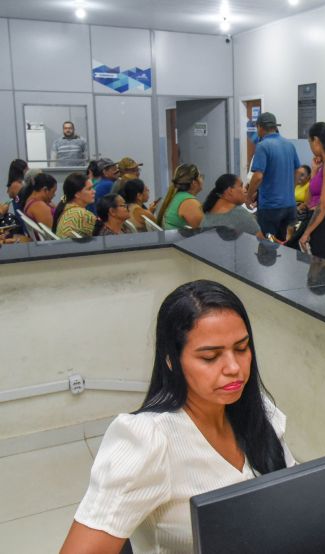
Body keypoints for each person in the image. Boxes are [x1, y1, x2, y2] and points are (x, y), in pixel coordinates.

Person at [61, 280, 295, 552]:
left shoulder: (257, 411)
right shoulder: (148, 440)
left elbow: (292, 499)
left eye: (242, 348)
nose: (234, 368)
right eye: (210, 357)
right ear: (171, 361)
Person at [284, 122, 325, 261]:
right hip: (315, 219)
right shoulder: (324, 165)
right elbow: (309, 201)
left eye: (309, 142)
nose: (310, 147)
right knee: (313, 275)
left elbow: (324, 204)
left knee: (321, 276)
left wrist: (307, 232)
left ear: (316, 140)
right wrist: (314, 170)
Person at [246, 112, 300, 241]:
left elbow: (258, 176)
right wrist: (290, 191)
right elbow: (297, 172)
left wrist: (248, 197)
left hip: (270, 208)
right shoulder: (289, 145)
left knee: (267, 248)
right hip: (290, 206)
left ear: (260, 127)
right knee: (285, 246)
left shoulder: (263, 146)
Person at [201, 173, 265, 238]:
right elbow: (261, 240)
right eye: (241, 186)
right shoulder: (239, 213)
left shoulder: (208, 212)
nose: (245, 190)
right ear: (230, 191)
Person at [156, 163, 204, 229]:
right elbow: (204, 231)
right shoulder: (189, 202)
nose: (202, 179)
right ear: (194, 182)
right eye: (200, 176)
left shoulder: (178, 196)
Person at [53, 172, 97, 238]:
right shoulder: (83, 215)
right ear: (77, 194)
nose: (94, 191)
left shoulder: (66, 209)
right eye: (89, 189)